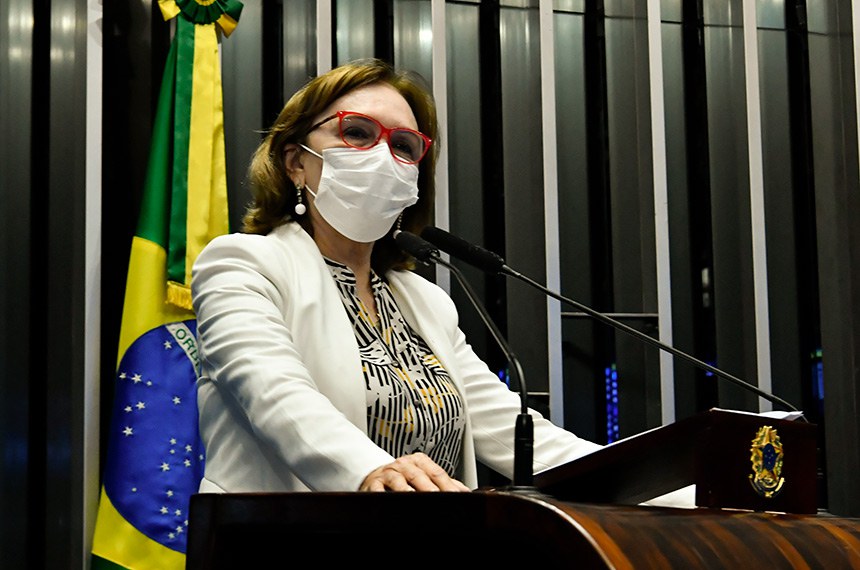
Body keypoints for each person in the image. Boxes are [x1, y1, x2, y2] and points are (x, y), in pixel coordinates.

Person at [191, 57, 604, 495]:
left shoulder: (424, 300)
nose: (384, 158)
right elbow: (274, 394)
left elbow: (518, 435)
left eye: (404, 146)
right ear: (295, 161)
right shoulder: (241, 264)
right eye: (357, 133)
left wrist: (667, 483)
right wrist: (370, 470)